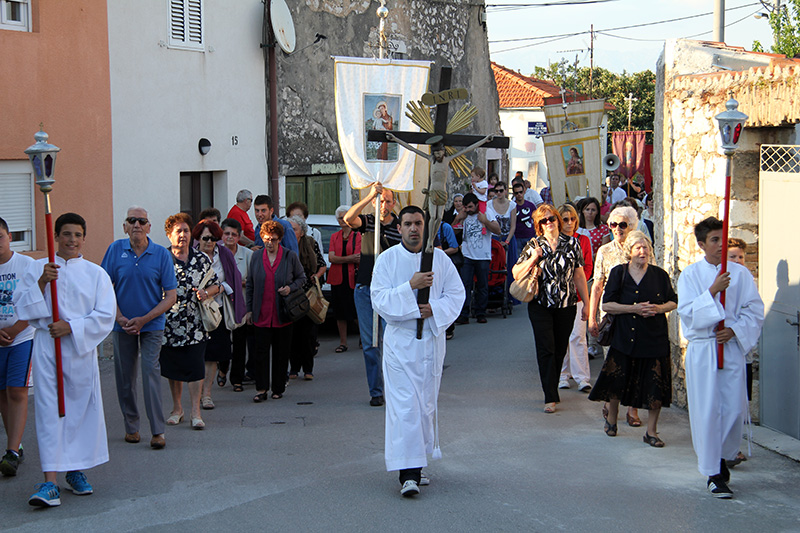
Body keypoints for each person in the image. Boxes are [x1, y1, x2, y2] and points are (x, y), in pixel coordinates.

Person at [14, 213, 116, 507]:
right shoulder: (38, 268)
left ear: (84, 238)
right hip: (48, 348)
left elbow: (106, 314)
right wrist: (43, 283)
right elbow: (21, 305)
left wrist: (72, 326)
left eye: (78, 234)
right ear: (56, 236)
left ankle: (76, 470)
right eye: (66, 234)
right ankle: (50, 481)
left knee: (79, 411)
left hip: (80, 351)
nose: (72, 240)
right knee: (49, 412)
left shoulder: (96, 274)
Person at [370, 205, 465, 497]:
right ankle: (406, 474)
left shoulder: (438, 259)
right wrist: (410, 288)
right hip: (401, 344)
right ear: (398, 228)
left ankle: (418, 464)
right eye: (408, 223)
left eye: (418, 223)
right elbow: (379, 299)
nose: (413, 229)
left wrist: (432, 309)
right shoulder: (387, 260)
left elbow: (456, 294)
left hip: (430, 344)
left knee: (425, 404)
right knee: (405, 406)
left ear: (426, 227)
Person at [677, 217, 764, 498]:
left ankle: (725, 457)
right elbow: (688, 314)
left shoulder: (740, 274)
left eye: (722, 240)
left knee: (734, 409)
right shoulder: (690, 275)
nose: (719, 246)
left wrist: (735, 330)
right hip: (704, 350)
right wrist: (713, 291)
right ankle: (713, 473)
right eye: (713, 240)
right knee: (708, 410)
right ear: (701, 244)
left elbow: (754, 310)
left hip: (731, 349)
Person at [589, 231, 677, 446]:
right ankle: (612, 418)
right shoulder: (619, 273)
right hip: (625, 335)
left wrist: (657, 308)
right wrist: (634, 309)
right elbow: (607, 305)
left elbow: (673, 302)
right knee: (618, 380)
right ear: (629, 252)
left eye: (645, 247)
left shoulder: (659, 275)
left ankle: (652, 432)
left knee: (655, 385)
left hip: (653, 337)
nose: (642, 251)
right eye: (638, 247)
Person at [101, 206, 177, 450]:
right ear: (125, 226)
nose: (136, 224)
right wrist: (119, 316)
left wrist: (145, 318)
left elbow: (171, 296)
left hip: (152, 324)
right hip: (122, 324)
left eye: (141, 221)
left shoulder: (160, 255)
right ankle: (131, 427)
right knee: (125, 378)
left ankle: (157, 431)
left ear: (149, 227)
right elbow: (103, 287)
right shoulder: (115, 250)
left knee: (150, 373)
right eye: (131, 220)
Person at [512, 205, 589, 413]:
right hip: (540, 304)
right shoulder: (534, 244)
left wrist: (587, 305)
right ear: (539, 225)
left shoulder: (572, 243)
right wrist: (533, 257)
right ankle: (550, 396)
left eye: (552, 219)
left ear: (557, 220)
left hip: (566, 304)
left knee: (559, 348)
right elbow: (516, 272)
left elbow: (579, 276)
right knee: (546, 348)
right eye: (544, 221)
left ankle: (552, 387)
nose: (549, 223)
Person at [588, 206, 651, 426]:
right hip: (613, 316)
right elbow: (597, 285)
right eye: (613, 224)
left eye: (622, 224)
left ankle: (632, 410)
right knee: (614, 364)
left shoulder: (642, 249)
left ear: (632, 226)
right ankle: (610, 403)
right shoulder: (604, 251)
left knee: (635, 363)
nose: (617, 229)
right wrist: (592, 317)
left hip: (637, 315)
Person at [344, 182, 402, 406]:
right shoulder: (369, 221)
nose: (384, 205)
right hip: (365, 289)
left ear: (394, 203)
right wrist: (369, 197)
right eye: (381, 200)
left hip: (390, 292)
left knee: (392, 342)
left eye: (387, 200)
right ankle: (376, 391)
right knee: (370, 344)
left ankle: (396, 388)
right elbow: (349, 219)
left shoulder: (399, 226)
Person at [161, 213, 221, 430]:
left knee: (196, 369)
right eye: (178, 231)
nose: (183, 235)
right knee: (173, 369)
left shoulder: (201, 259)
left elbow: (217, 285)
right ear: (169, 236)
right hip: (169, 325)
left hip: (196, 325)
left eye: (186, 231)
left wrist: (206, 293)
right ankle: (177, 409)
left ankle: (196, 412)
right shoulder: (162, 258)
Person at [246, 221, 305, 401]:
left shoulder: (289, 256)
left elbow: (302, 278)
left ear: (280, 239)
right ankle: (261, 389)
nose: (269, 243)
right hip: (261, 313)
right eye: (266, 239)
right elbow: (250, 285)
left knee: (281, 353)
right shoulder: (256, 257)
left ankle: (278, 388)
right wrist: (249, 310)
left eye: (273, 239)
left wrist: (290, 288)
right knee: (260, 352)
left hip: (282, 313)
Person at [194, 218, 245, 409]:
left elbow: (233, 280)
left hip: (217, 310)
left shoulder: (224, 254)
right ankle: (196, 393)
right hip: (194, 311)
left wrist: (214, 291)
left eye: (214, 238)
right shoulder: (192, 256)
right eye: (205, 238)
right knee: (197, 354)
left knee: (213, 354)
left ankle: (207, 394)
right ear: (198, 238)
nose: (209, 242)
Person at [0, 217, 35, 476]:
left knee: (17, 391)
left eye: (0, 237)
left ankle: (11, 453)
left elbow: (36, 302)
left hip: (22, 338)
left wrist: (15, 329)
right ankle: (16, 444)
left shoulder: (26, 265)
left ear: (9, 237)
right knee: (2, 394)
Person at [557, 204, 593, 392]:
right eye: (565, 219)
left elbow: (587, 267)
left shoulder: (583, 240)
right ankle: (563, 375)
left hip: (577, 294)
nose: (569, 223)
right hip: (559, 295)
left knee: (578, 335)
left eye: (572, 219)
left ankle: (582, 377)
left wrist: (577, 283)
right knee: (561, 335)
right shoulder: (554, 241)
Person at [287, 215, 326, 380]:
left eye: (294, 229)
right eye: (289, 229)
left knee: (308, 334)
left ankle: (308, 369)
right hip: (290, 295)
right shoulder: (285, 246)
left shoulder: (310, 243)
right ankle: (294, 368)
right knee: (292, 334)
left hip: (308, 294)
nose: (291, 232)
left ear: (302, 232)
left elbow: (322, 265)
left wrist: (316, 276)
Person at [452, 193, 501, 325]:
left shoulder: (487, 212)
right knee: (465, 285)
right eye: (465, 207)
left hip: (482, 256)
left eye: (470, 207)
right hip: (467, 255)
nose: (468, 210)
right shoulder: (464, 214)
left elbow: (498, 230)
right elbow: (452, 232)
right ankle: (464, 314)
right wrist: (458, 219)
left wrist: (485, 221)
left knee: (482, 285)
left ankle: (480, 312)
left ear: (476, 204)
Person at [726, 237, 754, 467]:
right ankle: (728, 449)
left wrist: (739, 330)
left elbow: (753, 311)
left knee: (740, 402)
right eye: (732, 257)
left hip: (741, 347)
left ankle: (736, 445)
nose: (737, 261)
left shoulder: (747, 280)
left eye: (741, 257)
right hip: (723, 349)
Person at [220, 218, 254, 392]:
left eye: (234, 234)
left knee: (240, 344)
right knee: (223, 342)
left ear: (240, 236)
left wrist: (241, 283)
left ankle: (237, 379)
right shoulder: (216, 253)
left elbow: (254, 281)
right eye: (226, 234)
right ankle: (222, 368)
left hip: (241, 305)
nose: (230, 237)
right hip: (221, 306)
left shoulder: (248, 255)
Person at [328, 205, 361, 353]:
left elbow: (358, 257)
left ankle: (363, 337)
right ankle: (343, 342)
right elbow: (331, 258)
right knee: (340, 312)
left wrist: (340, 259)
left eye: (344, 217)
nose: (341, 220)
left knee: (356, 311)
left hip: (353, 278)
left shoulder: (358, 235)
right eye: (339, 218)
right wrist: (349, 258)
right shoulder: (334, 236)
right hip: (338, 279)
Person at [486, 181, 518, 280]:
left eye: (501, 190)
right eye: (496, 191)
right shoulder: (489, 204)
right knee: (493, 266)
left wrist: (507, 241)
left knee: (510, 267)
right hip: (493, 239)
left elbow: (513, 226)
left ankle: (509, 292)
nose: (499, 193)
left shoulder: (512, 205)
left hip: (508, 238)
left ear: (505, 191)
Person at [512, 181, 538, 253]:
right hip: (517, 237)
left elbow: (536, 220)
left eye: (520, 192)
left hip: (530, 236)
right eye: (516, 193)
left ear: (524, 192)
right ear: (514, 194)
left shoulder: (531, 205)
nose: (519, 194)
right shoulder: (511, 206)